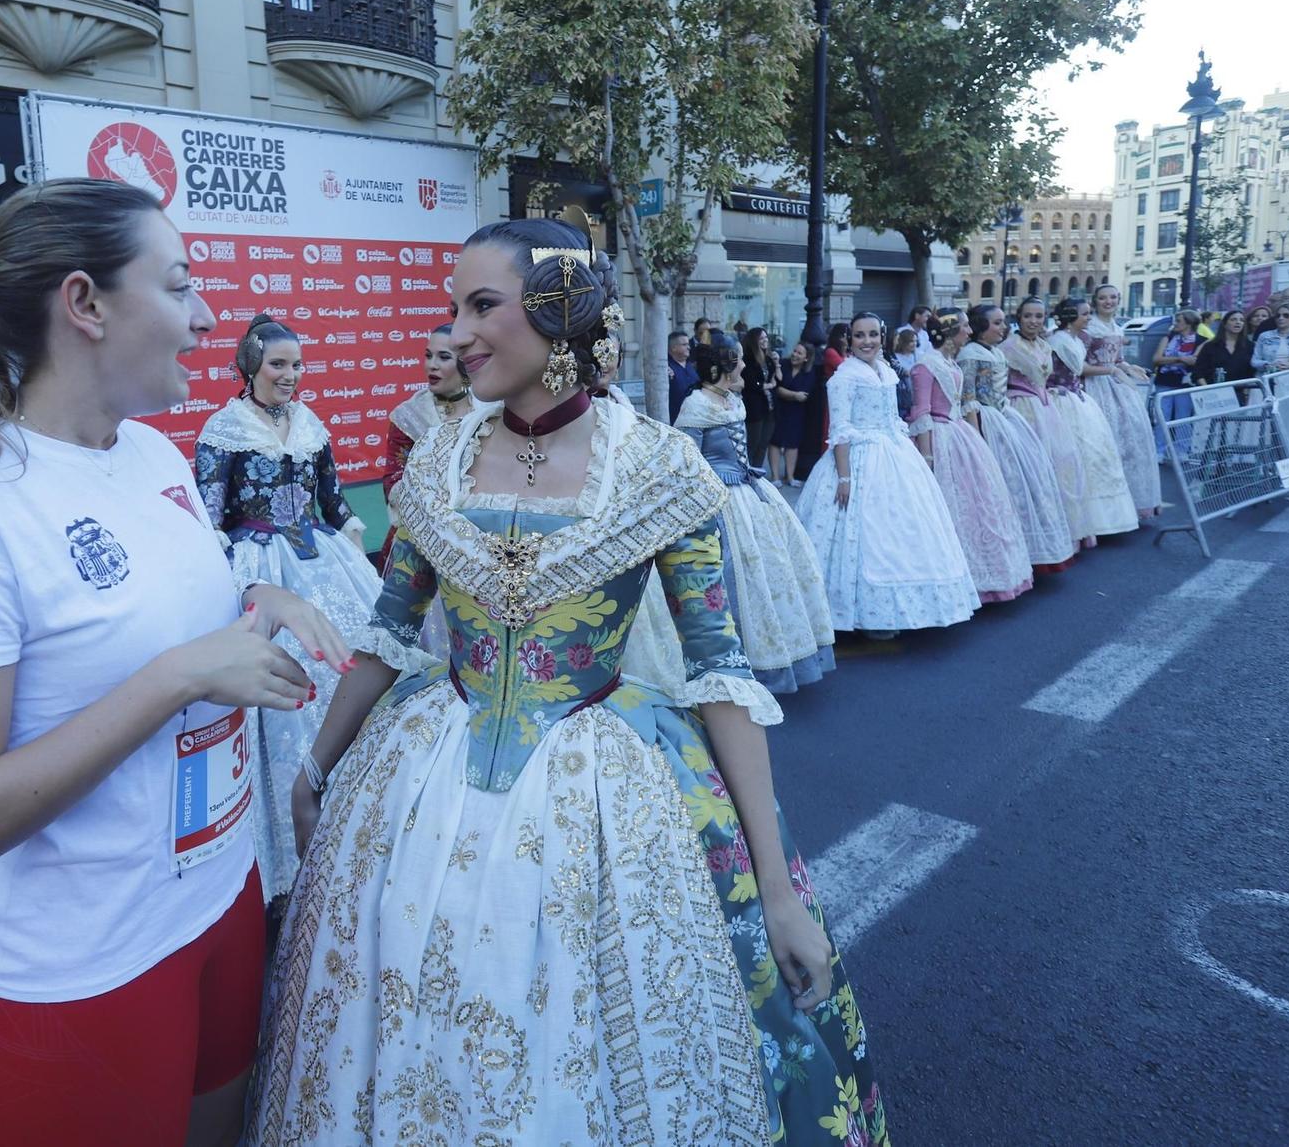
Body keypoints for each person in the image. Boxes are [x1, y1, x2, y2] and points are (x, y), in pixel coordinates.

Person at [256, 219, 888, 1146]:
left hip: (602, 794)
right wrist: (315, 766)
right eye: (452, 310)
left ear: (560, 314)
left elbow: (719, 672)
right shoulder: (438, 457)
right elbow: (388, 635)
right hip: (422, 783)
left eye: (483, 306)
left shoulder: (658, 465)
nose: (459, 333)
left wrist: (779, 890)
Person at [0, 179, 349, 1146]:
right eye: (178, 286)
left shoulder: (154, 458)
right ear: (84, 304)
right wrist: (176, 678)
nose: (208, 317)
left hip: (219, 903)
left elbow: (160, 628)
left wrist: (258, 605)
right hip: (82, 967)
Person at [195, 313, 382, 901]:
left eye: (297, 365)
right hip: (257, 572)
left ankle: (358, 808)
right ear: (251, 367)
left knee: (356, 664)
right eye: (278, 364)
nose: (290, 375)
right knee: (281, 700)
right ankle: (286, 839)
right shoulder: (223, 429)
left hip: (322, 559)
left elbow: (331, 500)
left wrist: (350, 531)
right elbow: (209, 514)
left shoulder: (310, 424)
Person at [794, 312, 979, 637]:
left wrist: (911, 452)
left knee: (903, 531)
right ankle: (860, 615)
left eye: (872, 335)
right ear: (849, 340)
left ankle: (899, 611)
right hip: (858, 457)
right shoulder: (845, 376)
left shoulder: (886, 372)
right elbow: (840, 430)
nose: (867, 341)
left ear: (882, 337)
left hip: (893, 453)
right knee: (860, 538)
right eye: (860, 336)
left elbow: (893, 418)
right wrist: (845, 477)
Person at [674, 333, 838, 689]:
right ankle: (734, 661)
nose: (746, 364)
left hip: (749, 491)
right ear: (720, 367)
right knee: (733, 574)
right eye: (739, 358)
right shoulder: (696, 406)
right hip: (719, 500)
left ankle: (770, 655)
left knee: (771, 571)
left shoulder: (733, 400)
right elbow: (685, 465)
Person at [909, 309, 1034, 603]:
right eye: (964, 327)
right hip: (940, 436)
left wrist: (976, 441)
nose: (969, 331)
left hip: (959, 435)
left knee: (979, 507)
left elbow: (966, 403)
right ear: (951, 332)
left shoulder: (949, 361)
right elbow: (922, 413)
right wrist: (926, 458)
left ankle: (984, 577)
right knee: (950, 508)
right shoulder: (926, 366)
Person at [960, 303, 1078, 572]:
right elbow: (967, 398)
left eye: (1003, 322)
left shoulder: (993, 353)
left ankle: (1032, 550)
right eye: (997, 323)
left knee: (1028, 479)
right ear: (981, 326)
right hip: (986, 420)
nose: (1003, 328)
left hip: (1004, 417)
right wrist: (977, 437)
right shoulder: (971, 354)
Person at [1002, 296, 1096, 551]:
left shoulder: (1045, 346)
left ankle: (1064, 535)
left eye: (1039, 316)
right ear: (1018, 318)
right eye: (1028, 316)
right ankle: (1034, 540)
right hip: (1021, 409)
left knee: (1063, 466)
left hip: (1047, 410)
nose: (1033, 321)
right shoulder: (1008, 347)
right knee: (1033, 471)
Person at [1045, 300, 1141, 537]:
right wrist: (1112, 370)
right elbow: (1072, 370)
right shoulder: (1058, 341)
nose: (1089, 318)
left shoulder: (1077, 340)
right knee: (1076, 457)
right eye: (1084, 314)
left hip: (1079, 400)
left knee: (1097, 456)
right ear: (1071, 316)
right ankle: (1080, 520)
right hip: (1061, 398)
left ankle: (1102, 520)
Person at [1080, 285, 1162, 519]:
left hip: (1116, 385)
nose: (1108, 302)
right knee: (1104, 441)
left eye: (1113, 297)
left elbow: (1118, 359)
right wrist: (1112, 370)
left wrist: (1128, 367)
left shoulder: (1116, 326)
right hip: (1096, 385)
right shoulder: (1090, 327)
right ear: (1095, 301)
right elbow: (1081, 362)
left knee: (1130, 441)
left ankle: (1131, 503)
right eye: (1103, 298)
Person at [380, 321, 473, 512]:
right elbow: (394, 482)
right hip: (423, 523)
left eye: (444, 357)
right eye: (428, 356)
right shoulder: (408, 416)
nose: (432, 365)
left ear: (465, 362)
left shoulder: (489, 410)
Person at [1149, 309, 1203, 462]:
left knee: (1183, 418)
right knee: (1162, 417)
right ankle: (1159, 450)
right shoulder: (1168, 338)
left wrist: (1171, 359)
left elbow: (1194, 360)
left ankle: (1181, 450)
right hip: (1165, 381)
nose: (1175, 324)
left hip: (1185, 384)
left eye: (1179, 321)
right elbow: (1157, 359)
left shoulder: (1201, 340)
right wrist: (1181, 358)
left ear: (1189, 323)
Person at [797, 322, 848, 480]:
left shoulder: (844, 352)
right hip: (829, 396)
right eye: (847, 335)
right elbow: (844, 368)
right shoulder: (831, 352)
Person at [770, 341, 815, 486]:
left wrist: (789, 394)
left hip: (796, 412)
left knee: (792, 444)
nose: (795, 354)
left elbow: (805, 395)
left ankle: (790, 477)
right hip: (779, 409)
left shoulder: (809, 372)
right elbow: (777, 388)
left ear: (806, 358)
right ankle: (775, 477)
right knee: (775, 441)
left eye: (799, 353)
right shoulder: (782, 364)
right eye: (795, 351)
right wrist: (794, 395)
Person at [1191, 310, 1257, 401]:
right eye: (1233, 319)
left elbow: (1251, 372)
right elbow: (1198, 372)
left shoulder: (1250, 346)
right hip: (1212, 393)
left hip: (1239, 394)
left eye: (1241, 320)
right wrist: (1207, 390)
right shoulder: (1210, 346)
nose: (1238, 322)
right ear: (1225, 324)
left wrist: (1246, 393)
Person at [741, 324, 778, 468]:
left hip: (770, 407)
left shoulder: (768, 359)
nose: (765, 340)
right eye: (761, 338)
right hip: (755, 409)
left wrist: (776, 363)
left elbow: (776, 379)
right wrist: (765, 385)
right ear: (754, 341)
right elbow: (750, 384)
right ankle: (748, 474)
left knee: (763, 444)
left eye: (766, 337)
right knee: (753, 444)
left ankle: (757, 474)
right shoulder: (748, 360)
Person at [666, 328, 697, 421]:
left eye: (688, 344)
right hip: (676, 421)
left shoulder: (690, 366)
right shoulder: (666, 368)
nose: (689, 347)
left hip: (695, 419)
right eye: (684, 345)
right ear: (673, 348)